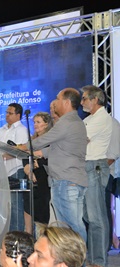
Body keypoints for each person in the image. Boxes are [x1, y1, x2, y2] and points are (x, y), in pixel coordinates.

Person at [19, 88, 88, 242]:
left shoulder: (67, 122)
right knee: (63, 228)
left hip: (66, 181)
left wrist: (22, 147)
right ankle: (68, 261)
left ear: (67, 102)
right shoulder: (73, 122)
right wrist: (40, 153)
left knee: (74, 226)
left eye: (57, 99)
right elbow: (57, 149)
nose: (54, 102)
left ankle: (80, 262)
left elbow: (43, 140)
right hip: (65, 180)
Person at [80, 85, 112, 267]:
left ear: (95, 100)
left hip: (95, 167)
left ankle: (99, 261)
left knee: (97, 217)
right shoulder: (90, 118)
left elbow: (81, 140)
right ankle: (93, 258)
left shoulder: (101, 118)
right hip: (87, 167)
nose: (82, 102)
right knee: (88, 216)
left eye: (84, 98)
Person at [0, 103, 28, 231]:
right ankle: (8, 235)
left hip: (15, 170)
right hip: (1, 171)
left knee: (15, 205)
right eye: (6, 112)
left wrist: (3, 155)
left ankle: (17, 236)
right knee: (4, 206)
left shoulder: (21, 130)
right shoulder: (1, 129)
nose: (7, 115)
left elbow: (21, 150)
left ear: (18, 115)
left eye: (10, 113)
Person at [23, 112, 53, 233]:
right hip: (31, 175)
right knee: (29, 206)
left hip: (44, 176)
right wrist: (26, 167)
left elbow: (52, 156)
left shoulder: (51, 139)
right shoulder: (32, 139)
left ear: (46, 124)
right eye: (34, 122)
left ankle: (44, 235)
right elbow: (25, 155)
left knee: (42, 208)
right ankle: (29, 235)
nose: (35, 125)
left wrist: (38, 163)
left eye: (38, 122)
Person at [106, 116, 120, 250]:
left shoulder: (113, 124)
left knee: (109, 207)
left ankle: (113, 238)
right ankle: (113, 237)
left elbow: (114, 154)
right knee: (109, 207)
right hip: (111, 172)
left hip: (112, 171)